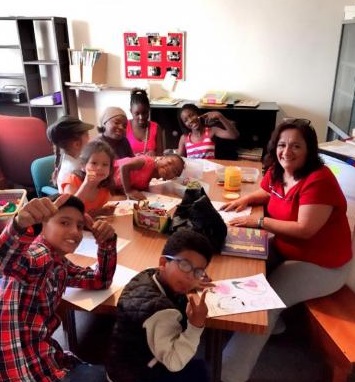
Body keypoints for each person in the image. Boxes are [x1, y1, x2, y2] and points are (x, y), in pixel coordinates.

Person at [219, 118, 353, 382]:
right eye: (282, 144)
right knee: (238, 260)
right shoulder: (279, 171)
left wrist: (259, 221)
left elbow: (305, 230)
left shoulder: (319, 180)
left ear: (309, 150)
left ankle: (228, 374)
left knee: (263, 302)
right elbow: (267, 192)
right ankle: (269, 325)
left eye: (296, 146)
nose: (286, 152)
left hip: (322, 265)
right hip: (288, 250)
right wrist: (246, 200)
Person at [0, 193, 117, 382]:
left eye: (80, 226)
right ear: (42, 226)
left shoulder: (59, 263)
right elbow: (5, 260)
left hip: (45, 356)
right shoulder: (39, 253)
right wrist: (21, 225)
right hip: (21, 370)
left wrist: (107, 243)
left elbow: (100, 280)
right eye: (64, 223)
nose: (75, 232)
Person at [105, 228, 213, 382]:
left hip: (120, 364)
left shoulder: (148, 274)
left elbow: (180, 278)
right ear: (163, 262)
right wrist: (196, 325)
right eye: (185, 265)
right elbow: (174, 363)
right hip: (137, 375)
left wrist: (192, 279)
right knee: (201, 372)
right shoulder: (161, 312)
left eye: (197, 272)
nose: (190, 277)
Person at [62, 140, 116, 217]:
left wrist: (102, 211)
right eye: (94, 163)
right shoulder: (73, 180)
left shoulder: (105, 188)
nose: (99, 168)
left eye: (105, 164)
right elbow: (69, 212)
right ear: (83, 166)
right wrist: (86, 184)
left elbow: (88, 215)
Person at [47, 115, 94, 193]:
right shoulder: (74, 171)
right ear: (76, 144)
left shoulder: (74, 160)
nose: (90, 139)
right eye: (87, 135)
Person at [114, 153, 185, 200]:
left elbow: (137, 181)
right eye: (169, 162)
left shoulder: (151, 176)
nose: (170, 169)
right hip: (108, 175)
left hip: (114, 187)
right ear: (161, 158)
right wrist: (128, 191)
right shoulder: (147, 162)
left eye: (174, 171)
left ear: (172, 178)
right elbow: (124, 167)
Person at [126, 88, 163, 156]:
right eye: (137, 114)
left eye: (145, 113)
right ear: (131, 111)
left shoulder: (156, 127)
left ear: (149, 110)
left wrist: (154, 153)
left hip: (152, 164)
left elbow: (160, 154)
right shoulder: (125, 126)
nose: (141, 117)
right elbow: (119, 153)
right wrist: (133, 156)